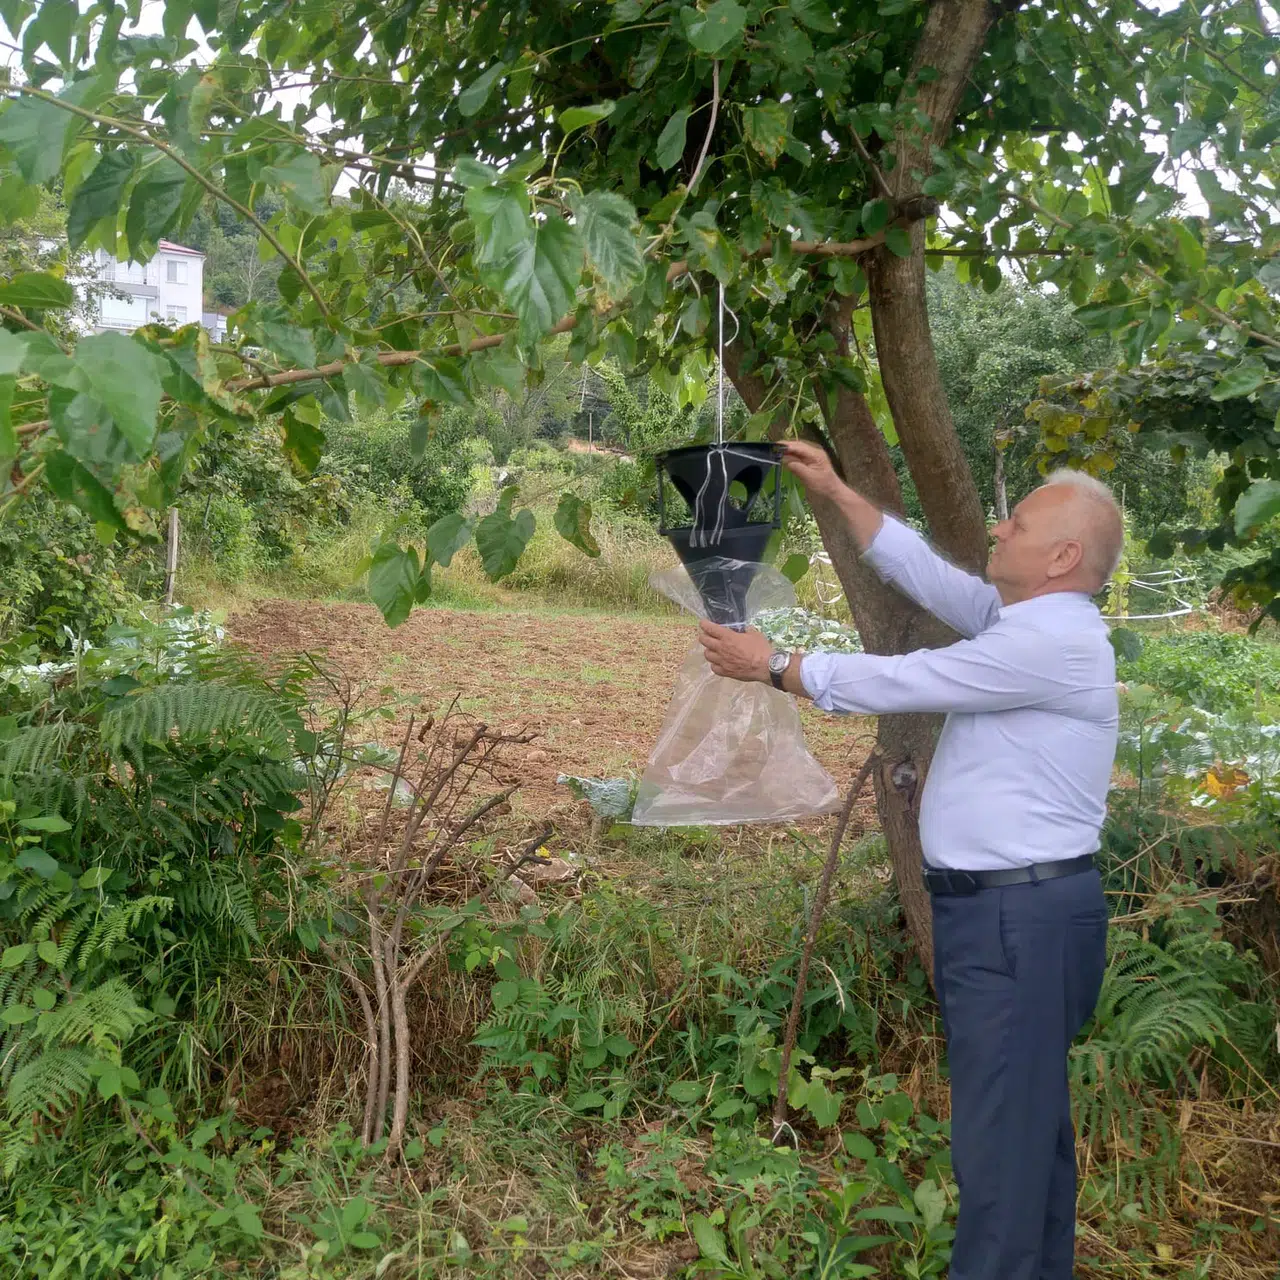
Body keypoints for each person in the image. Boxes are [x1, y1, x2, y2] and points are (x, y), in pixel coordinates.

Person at [698, 440, 1123, 1280]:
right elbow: (932, 578)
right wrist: (835, 490)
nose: (997, 530)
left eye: (1019, 522)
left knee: (1002, 1154)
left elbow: (915, 678)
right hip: (1018, 917)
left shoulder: (1051, 646)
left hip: (1016, 925)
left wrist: (778, 667)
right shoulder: (1030, 622)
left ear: (1063, 556)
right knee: (1026, 1136)